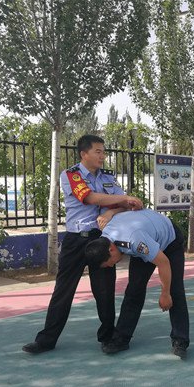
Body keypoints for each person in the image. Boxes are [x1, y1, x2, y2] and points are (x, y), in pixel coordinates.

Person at [22, 134, 143, 354]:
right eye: (98, 152)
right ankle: (46, 340)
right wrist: (124, 199)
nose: (102, 156)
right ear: (83, 154)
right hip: (75, 240)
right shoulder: (71, 175)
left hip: (102, 239)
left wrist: (112, 211)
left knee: (105, 292)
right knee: (63, 290)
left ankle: (107, 337)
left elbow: (126, 205)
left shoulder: (108, 177)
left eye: (104, 152)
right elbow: (90, 198)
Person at [84, 209, 189, 359]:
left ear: (111, 249)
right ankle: (121, 338)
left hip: (169, 239)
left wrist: (165, 294)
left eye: (109, 263)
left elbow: (163, 263)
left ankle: (180, 340)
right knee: (134, 290)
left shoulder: (135, 241)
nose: (110, 266)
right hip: (147, 234)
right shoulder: (107, 237)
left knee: (174, 290)